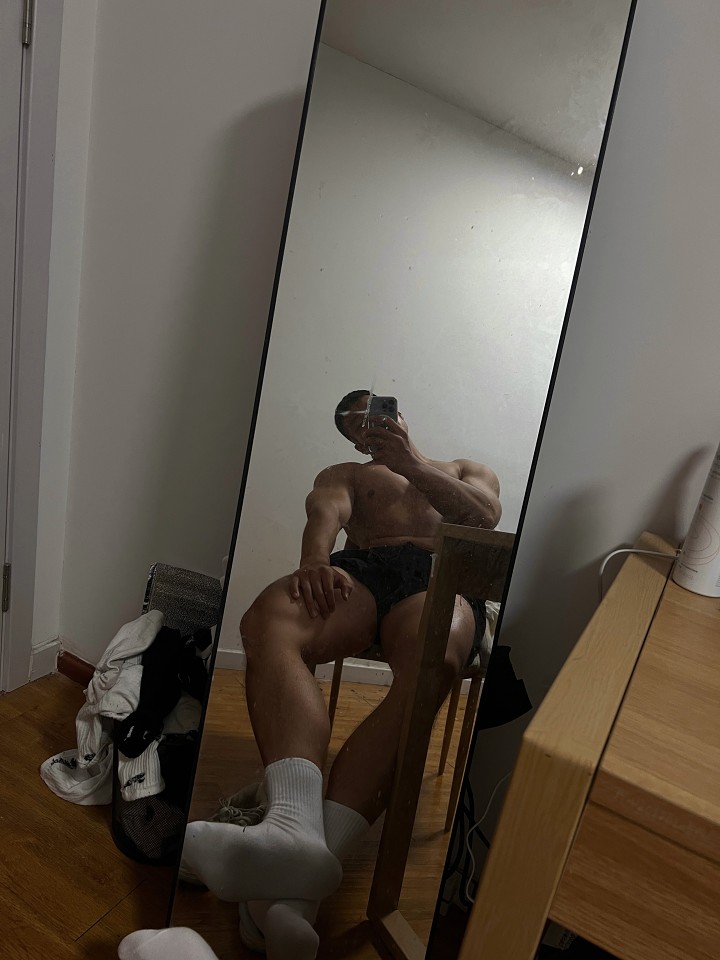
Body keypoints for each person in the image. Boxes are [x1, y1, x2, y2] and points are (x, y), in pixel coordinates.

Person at [180, 390, 501, 958]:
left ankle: (288, 899)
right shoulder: (347, 474)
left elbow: (484, 518)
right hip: (363, 572)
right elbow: (324, 515)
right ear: (353, 439)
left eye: (376, 413)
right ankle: (292, 827)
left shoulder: (463, 468)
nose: (369, 426)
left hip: (441, 575)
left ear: (399, 415)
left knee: (436, 656)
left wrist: (411, 463)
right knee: (268, 618)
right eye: (357, 425)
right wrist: (314, 561)